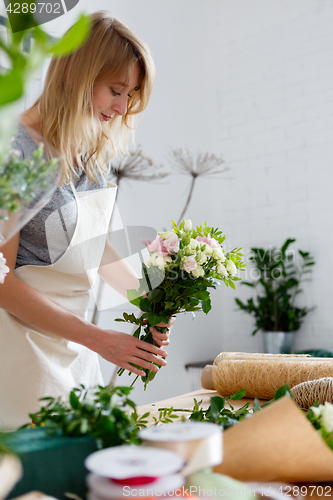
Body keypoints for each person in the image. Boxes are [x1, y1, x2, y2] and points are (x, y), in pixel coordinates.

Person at [0, 11, 173, 429]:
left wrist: (148, 300)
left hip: (73, 351)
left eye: (129, 96)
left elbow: (98, 245)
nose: (121, 108)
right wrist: (98, 339)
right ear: (78, 73)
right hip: (20, 350)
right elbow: (2, 284)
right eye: (116, 90)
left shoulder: (86, 154)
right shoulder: (17, 153)